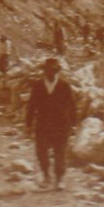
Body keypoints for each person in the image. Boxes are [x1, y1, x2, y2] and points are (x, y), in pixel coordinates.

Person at [24, 56, 77, 190]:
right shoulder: (38, 86)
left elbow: (72, 105)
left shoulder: (64, 86)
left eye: (54, 71)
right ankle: (46, 176)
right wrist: (28, 123)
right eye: (48, 70)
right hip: (42, 123)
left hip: (61, 124)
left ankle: (59, 179)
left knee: (60, 152)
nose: (51, 73)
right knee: (41, 151)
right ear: (44, 71)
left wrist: (73, 124)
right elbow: (31, 105)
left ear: (57, 71)